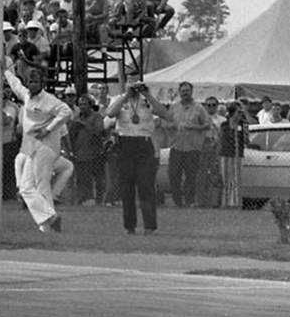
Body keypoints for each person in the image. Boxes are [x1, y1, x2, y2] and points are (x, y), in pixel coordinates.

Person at [5, 64, 74, 233]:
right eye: (30, 81)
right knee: (26, 187)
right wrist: (4, 70)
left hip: (46, 147)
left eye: (36, 81)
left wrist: (48, 129)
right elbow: (15, 85)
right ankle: (51, 218)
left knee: (42, 185)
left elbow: (66, 112)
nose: (33, 84)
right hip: (31, 146)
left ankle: (46, 228)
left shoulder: (49, 99)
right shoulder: (27, 96)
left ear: (42, 82)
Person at [105, 80, 171, 234]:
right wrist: (126, 95)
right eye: (131, 83)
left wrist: (148, 94)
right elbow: (110, 113)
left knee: (146, 186)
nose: (134, 87)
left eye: (137, 83)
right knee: (126, 187)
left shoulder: (148, 99)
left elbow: (165, 114)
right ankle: (130, 226)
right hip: (125, 143)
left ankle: (149, 226)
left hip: (144, 143)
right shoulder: (119, 99)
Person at [166, 81, 213, 207]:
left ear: (191, 92)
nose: (185, 93)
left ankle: (189, 201)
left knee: (191, 176)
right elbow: (167, 124)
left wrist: (194, 127)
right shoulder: (174, 107)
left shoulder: (199, 108)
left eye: (187, 90)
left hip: (193, 148)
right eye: (183, 91)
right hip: (177, 147)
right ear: (179, 92)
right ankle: (177, 201)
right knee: (173, 174)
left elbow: (208, 125)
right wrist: (173, 126)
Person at [66, 93, 107, 206]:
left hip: (94, 154)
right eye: (80, 105)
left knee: (97, 179)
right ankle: (82, 198)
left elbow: (98, 132)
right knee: (81, 179)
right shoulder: (76, 117)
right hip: (79, 154)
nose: (82, 107)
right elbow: (70, 134)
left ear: (90, 105)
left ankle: (99, 200)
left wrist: (83, 124)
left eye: (84, 104)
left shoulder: (96, 117)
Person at [219, 100, 248, 208]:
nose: (240, 115)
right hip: (225, 154)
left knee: (236, 180)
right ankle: (225, 202)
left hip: (237, 155)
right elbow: (220, 139)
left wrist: (245, 133)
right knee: (226, 180)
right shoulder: (224, 125)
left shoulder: (242, 125)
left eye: (241, 112)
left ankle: (236, 203)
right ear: (232, 113)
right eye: (238, 112)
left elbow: (247, 141)